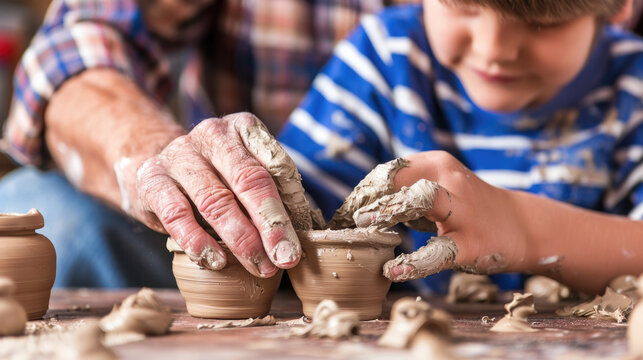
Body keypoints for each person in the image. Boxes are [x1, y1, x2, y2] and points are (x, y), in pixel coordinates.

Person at [0, 0, 396, 287]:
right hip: (233, 239)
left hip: (406, 258)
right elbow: (73, 43)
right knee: (45, 213)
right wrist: (159, 160)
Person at [277, 0, 643, 294]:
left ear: (620, 8)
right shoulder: (386, 57)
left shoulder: (633, 85)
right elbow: (298, 224)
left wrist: (524, 230)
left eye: (543, 21)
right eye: (463, 3)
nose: (493, 50)